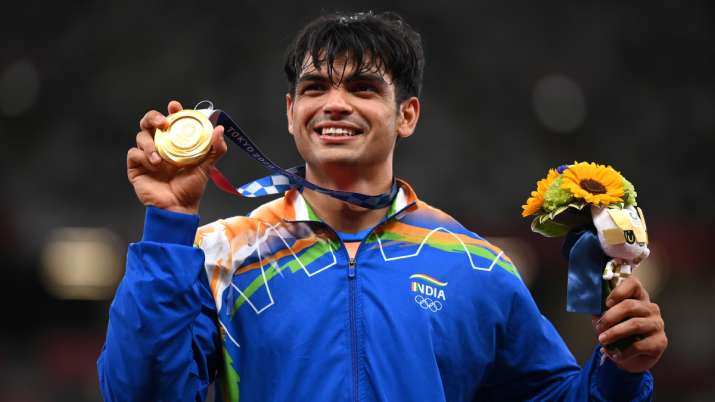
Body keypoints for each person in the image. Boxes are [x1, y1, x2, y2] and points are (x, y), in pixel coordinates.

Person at [97, 11, 667, 402]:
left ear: (407, 115)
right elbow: (140, 390)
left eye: (364, 88)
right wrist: (169, 220)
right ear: (291, 112)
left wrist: (619, 371)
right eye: (317, 88)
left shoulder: (474, 265)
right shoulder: (219, 252)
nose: (336, 104)